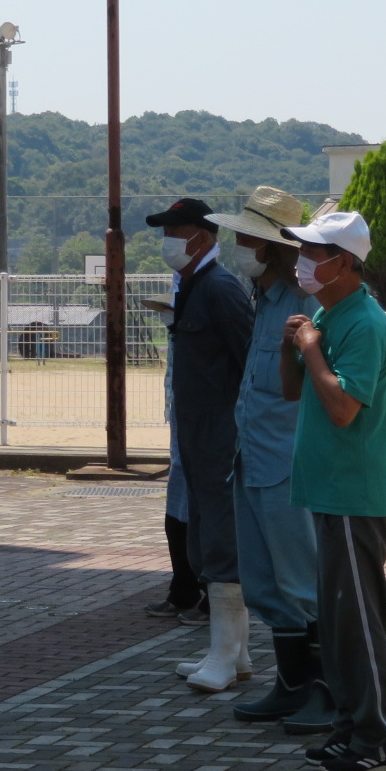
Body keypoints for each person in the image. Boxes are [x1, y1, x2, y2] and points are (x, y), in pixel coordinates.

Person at [280, 208, 386, 771]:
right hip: (331, 492)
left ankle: (378, 740)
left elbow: (342, 408)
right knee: (337, 623)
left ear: (345, 262)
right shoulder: (332, 318)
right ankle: (351, 728)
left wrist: (310, 345)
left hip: (356, 494)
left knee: (357, 621)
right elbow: (291, 391)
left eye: (314, 252)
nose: (304, 262)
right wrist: (299, 345)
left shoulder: (363, 323)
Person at [205, 188, 329, 725]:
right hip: (251, 459)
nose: (238, 246)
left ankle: (324, 691)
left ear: (272, 246)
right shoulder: (262, 299)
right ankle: (290, 685)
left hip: (287, 464)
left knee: (302, 583)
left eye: (247, 238)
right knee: (261, 582)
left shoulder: (305, 302)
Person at [146, 197, 254, 694]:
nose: (169, 241)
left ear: (204, 238)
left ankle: (224, 654)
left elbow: (247, 364)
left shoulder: (220, 288)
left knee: (220, 543)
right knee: (203, 537)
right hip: (197, 438)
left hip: (219, 440)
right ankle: (237, 651)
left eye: (178, 231)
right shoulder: (192, 286)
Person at [140, 293, 205, 625]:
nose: (165, 317)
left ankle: (201, 594)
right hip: (183, 428)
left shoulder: (200, 338)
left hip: (200, 432)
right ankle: (185, 589)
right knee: (177, 513)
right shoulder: (179, 339)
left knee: (194, 515)